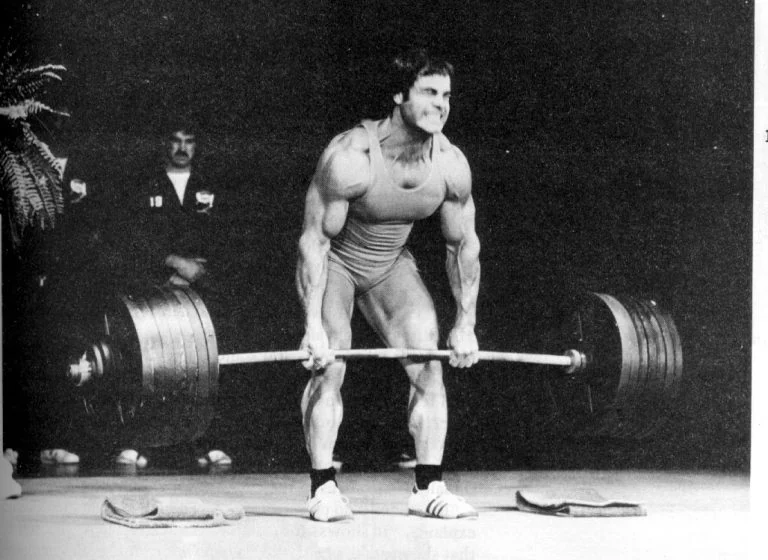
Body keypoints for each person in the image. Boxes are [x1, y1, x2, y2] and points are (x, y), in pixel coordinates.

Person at [296, 49, 481, 522]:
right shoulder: (350, 157)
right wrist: (311, 326)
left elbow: (463, 248)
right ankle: (323, 487)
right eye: (428, 92)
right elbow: (315, 244)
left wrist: (466, 325)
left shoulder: (451, 165)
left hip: (388, 266)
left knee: (428, 357)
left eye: (446, 95)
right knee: (331, 359)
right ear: (399, 95)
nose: (441, 104)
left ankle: (428, 485)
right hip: (335, 264)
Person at [113, 121, 233, 469]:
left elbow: (226, 235)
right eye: (176, 141)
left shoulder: (210, 186)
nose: (182, 148)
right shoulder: (145, 184)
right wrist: (172, 264)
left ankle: (208, 442)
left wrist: (200, 273)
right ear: (165, 144)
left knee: (207, 367)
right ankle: (139, 443)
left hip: (202, 289)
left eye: (189, 141)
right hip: (156, 290)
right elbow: (133, 236)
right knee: (151, 366)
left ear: (197, 146)